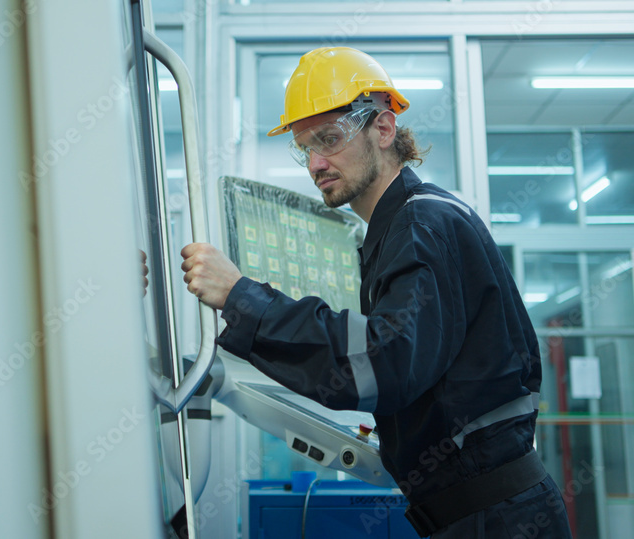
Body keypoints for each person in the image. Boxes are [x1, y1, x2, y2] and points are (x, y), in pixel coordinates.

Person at [179, 47, 571, 538]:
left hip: (494, 520)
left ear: (383, 129)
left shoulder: (421, 225)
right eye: (305, 148)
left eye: (330, 138)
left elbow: (383, 362)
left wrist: (242, 297)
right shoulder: (409, 225)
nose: (315, 162)